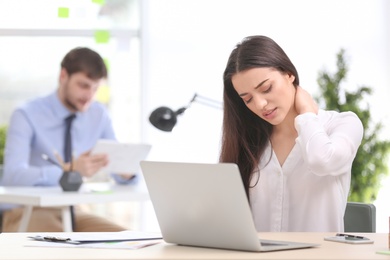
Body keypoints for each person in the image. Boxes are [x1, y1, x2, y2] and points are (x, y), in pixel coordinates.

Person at [220, 35, 363, 232]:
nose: (260, 104)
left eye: (266, 88)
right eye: (248, 99)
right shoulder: (250, 141)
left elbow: (322, 160)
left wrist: (306, 114)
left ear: (289, 74)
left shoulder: (343, 124)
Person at [1, 47, 135, 232]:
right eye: (84, 85)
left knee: (132, 242)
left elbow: (119, 168)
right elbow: (12, 176)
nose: (89, 96)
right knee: (60, 248)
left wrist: (127, 172)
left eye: (95, 88)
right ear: (63, 76)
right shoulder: (26, 114)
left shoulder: (98, 115)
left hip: (75, 210)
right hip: (27, 210)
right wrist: (69, 171)